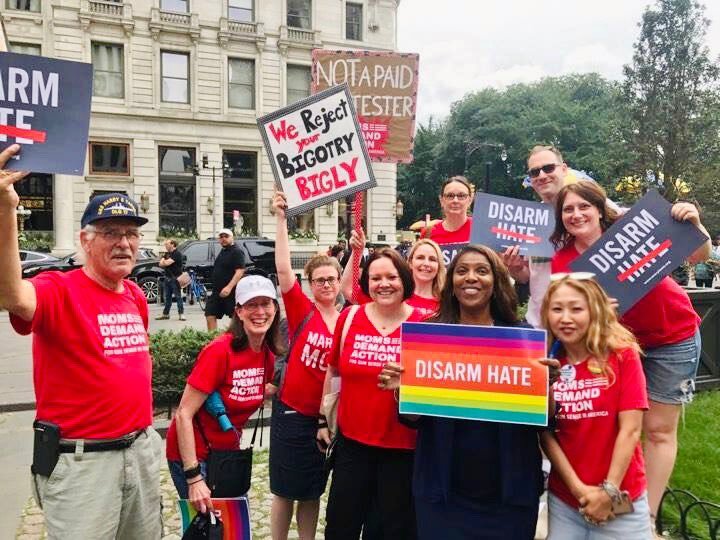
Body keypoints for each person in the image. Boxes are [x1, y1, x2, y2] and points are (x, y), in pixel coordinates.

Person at [0, 145, 162, 538]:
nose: (124, 243)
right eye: (110, 233)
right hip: (83, 465)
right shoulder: (58, 288)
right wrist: (5, 211)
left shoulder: (135, 295)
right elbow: (11, 296)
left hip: (139, 453)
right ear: (85, 240)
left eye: (131, 233)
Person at [549, 180, 710, 529]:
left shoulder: (633, 227)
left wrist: (694, 224)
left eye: (583, 206)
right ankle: (618, 498)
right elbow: (568, 311)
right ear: (561, 218)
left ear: (598, 207)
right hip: (617, 349)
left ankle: (646, 519)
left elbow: (699, 255)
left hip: (672, 336)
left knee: (659, 431)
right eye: (568, 210)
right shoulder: (564, 261)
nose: (576, 214)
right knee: (621, 427)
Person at [378, 245, 559, 540]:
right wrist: (402, 390)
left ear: (496, 281)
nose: (471, 277)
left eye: (481, 271)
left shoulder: (520, 336)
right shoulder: (431, 335)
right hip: (443, 493)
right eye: (462, 271)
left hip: (508, 494)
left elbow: (543, 419)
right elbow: (413, 418)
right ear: (451, 284)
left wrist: (546, 385)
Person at [319, 248, 423, 540]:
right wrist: (321, 420)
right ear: (366, 283)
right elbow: (334, 371)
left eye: (391, 276)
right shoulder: (350, 317)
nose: (384, 283)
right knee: (341, 527)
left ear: (405, 279)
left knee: (392, 531)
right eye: (375, 277)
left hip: (403, 450)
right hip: (352, 447)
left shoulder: (426, 322)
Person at [540, 274, 652, 538]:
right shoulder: (547, 364)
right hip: (566, 500)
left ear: (594, 309)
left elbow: (631, 430)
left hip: (621, 500)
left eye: (576, 308)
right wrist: (580, 491)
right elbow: (545, 432)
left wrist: (608, 492)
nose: (565, 318)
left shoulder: (622, 355)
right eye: (557, 309)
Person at [166, 274, 283, 513]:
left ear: (275, 308)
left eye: (265, 303)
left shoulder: (268, 356)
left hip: (227, 454)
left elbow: (256, 390)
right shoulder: (220, 352)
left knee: (233, 526)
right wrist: (194, 477)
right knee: (209, 529)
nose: (260, 311)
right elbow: (184, 414)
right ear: (238, 312)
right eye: (251, 305)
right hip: (194, 456)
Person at [268, 191, 341, 540]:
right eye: (319, 280)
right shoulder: (302, 310)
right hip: (293, 414)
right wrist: (282, 220)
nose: (326, 285)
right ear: (310, 285)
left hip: (325, 421)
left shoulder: (346, 318)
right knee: (284, 490)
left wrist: (355, 251)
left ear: (338, 282)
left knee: (313, 490)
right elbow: (283, 269)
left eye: (331, 279)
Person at [503, 145, 622, 328]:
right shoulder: (527, 219)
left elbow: (635, 233)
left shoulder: (591, 203)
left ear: (564, 169)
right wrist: (516, 269)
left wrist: (678, 211)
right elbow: (527, 277)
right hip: (540, 323)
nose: (542, 175)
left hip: (588, 324)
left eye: (549, 168)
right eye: (534, 172)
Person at [341, 232, 446, 318]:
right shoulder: (392, 293)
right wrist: (357, 252)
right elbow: (348, 289)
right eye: (420, 258)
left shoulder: (447, 302)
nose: (426, 264)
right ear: (410, 262)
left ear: (439, 265)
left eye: (432, 259)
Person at [420, 175, 474, 264]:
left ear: (470, 200)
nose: (455, 200)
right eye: (450, 196)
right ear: (441, 200)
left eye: (461, 195)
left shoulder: (481, 229)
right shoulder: (428, 233)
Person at [205, 228, 245, 330]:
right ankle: (213, 340)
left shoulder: (237, 251)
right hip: (217, 291)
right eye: (221, 237)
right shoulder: (223, 251)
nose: (223, 239)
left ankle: (235, 340)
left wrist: (229, 287)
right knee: (210, 313)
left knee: (235, 318)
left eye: (226, 236)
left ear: (232, 238)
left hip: (231, 292)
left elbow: (240, 271)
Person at [157, 238, 185, 320]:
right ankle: (166, 314)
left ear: (172, 244)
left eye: (167, 244)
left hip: (175, 279)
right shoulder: (167, 254)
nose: (165, 245)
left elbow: (166, 263)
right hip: (167, 278)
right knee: (167, 297)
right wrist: (163, 261)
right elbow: (160, 264)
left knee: (178, 297)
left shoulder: (177, 254)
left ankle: (181, 314)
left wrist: (163, 260)